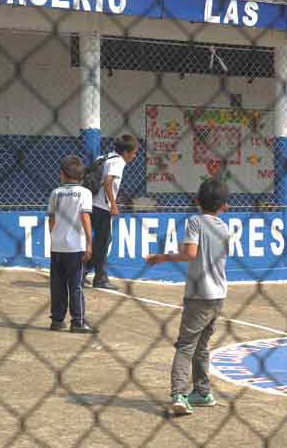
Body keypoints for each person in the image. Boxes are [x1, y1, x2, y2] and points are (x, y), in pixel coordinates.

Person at [144, 179, 230, 416]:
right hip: (218, 294)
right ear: (224, 206)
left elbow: (190, 253)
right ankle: (202, 392)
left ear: (197, 201)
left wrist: (162, 257)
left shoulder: (195, 222)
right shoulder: (224, 227)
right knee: (202, 346)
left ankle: (180, 394)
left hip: (199, 294)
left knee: (185, 345)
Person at [47, 155, 96, 334]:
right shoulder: (84, 193)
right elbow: (85, 217)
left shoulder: (55, 193)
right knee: (76, 285)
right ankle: (78, 321)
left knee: (57, 285)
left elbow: (51, 220)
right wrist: (90, 243)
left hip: (57, 245)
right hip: (75, 247)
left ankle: (57, 320)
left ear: (62, 174)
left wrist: (53, 238)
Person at [87, 135, 139, 290]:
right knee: (103, 242)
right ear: (125, 152)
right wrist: (113, 205)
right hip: (102, 207)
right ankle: (100, 278)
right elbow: (108, 181)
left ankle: (85, 271)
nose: (134, 156)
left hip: (92, 204)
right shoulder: (119, 161)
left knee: (101, 241)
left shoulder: (104, 157)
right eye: (133, 153)